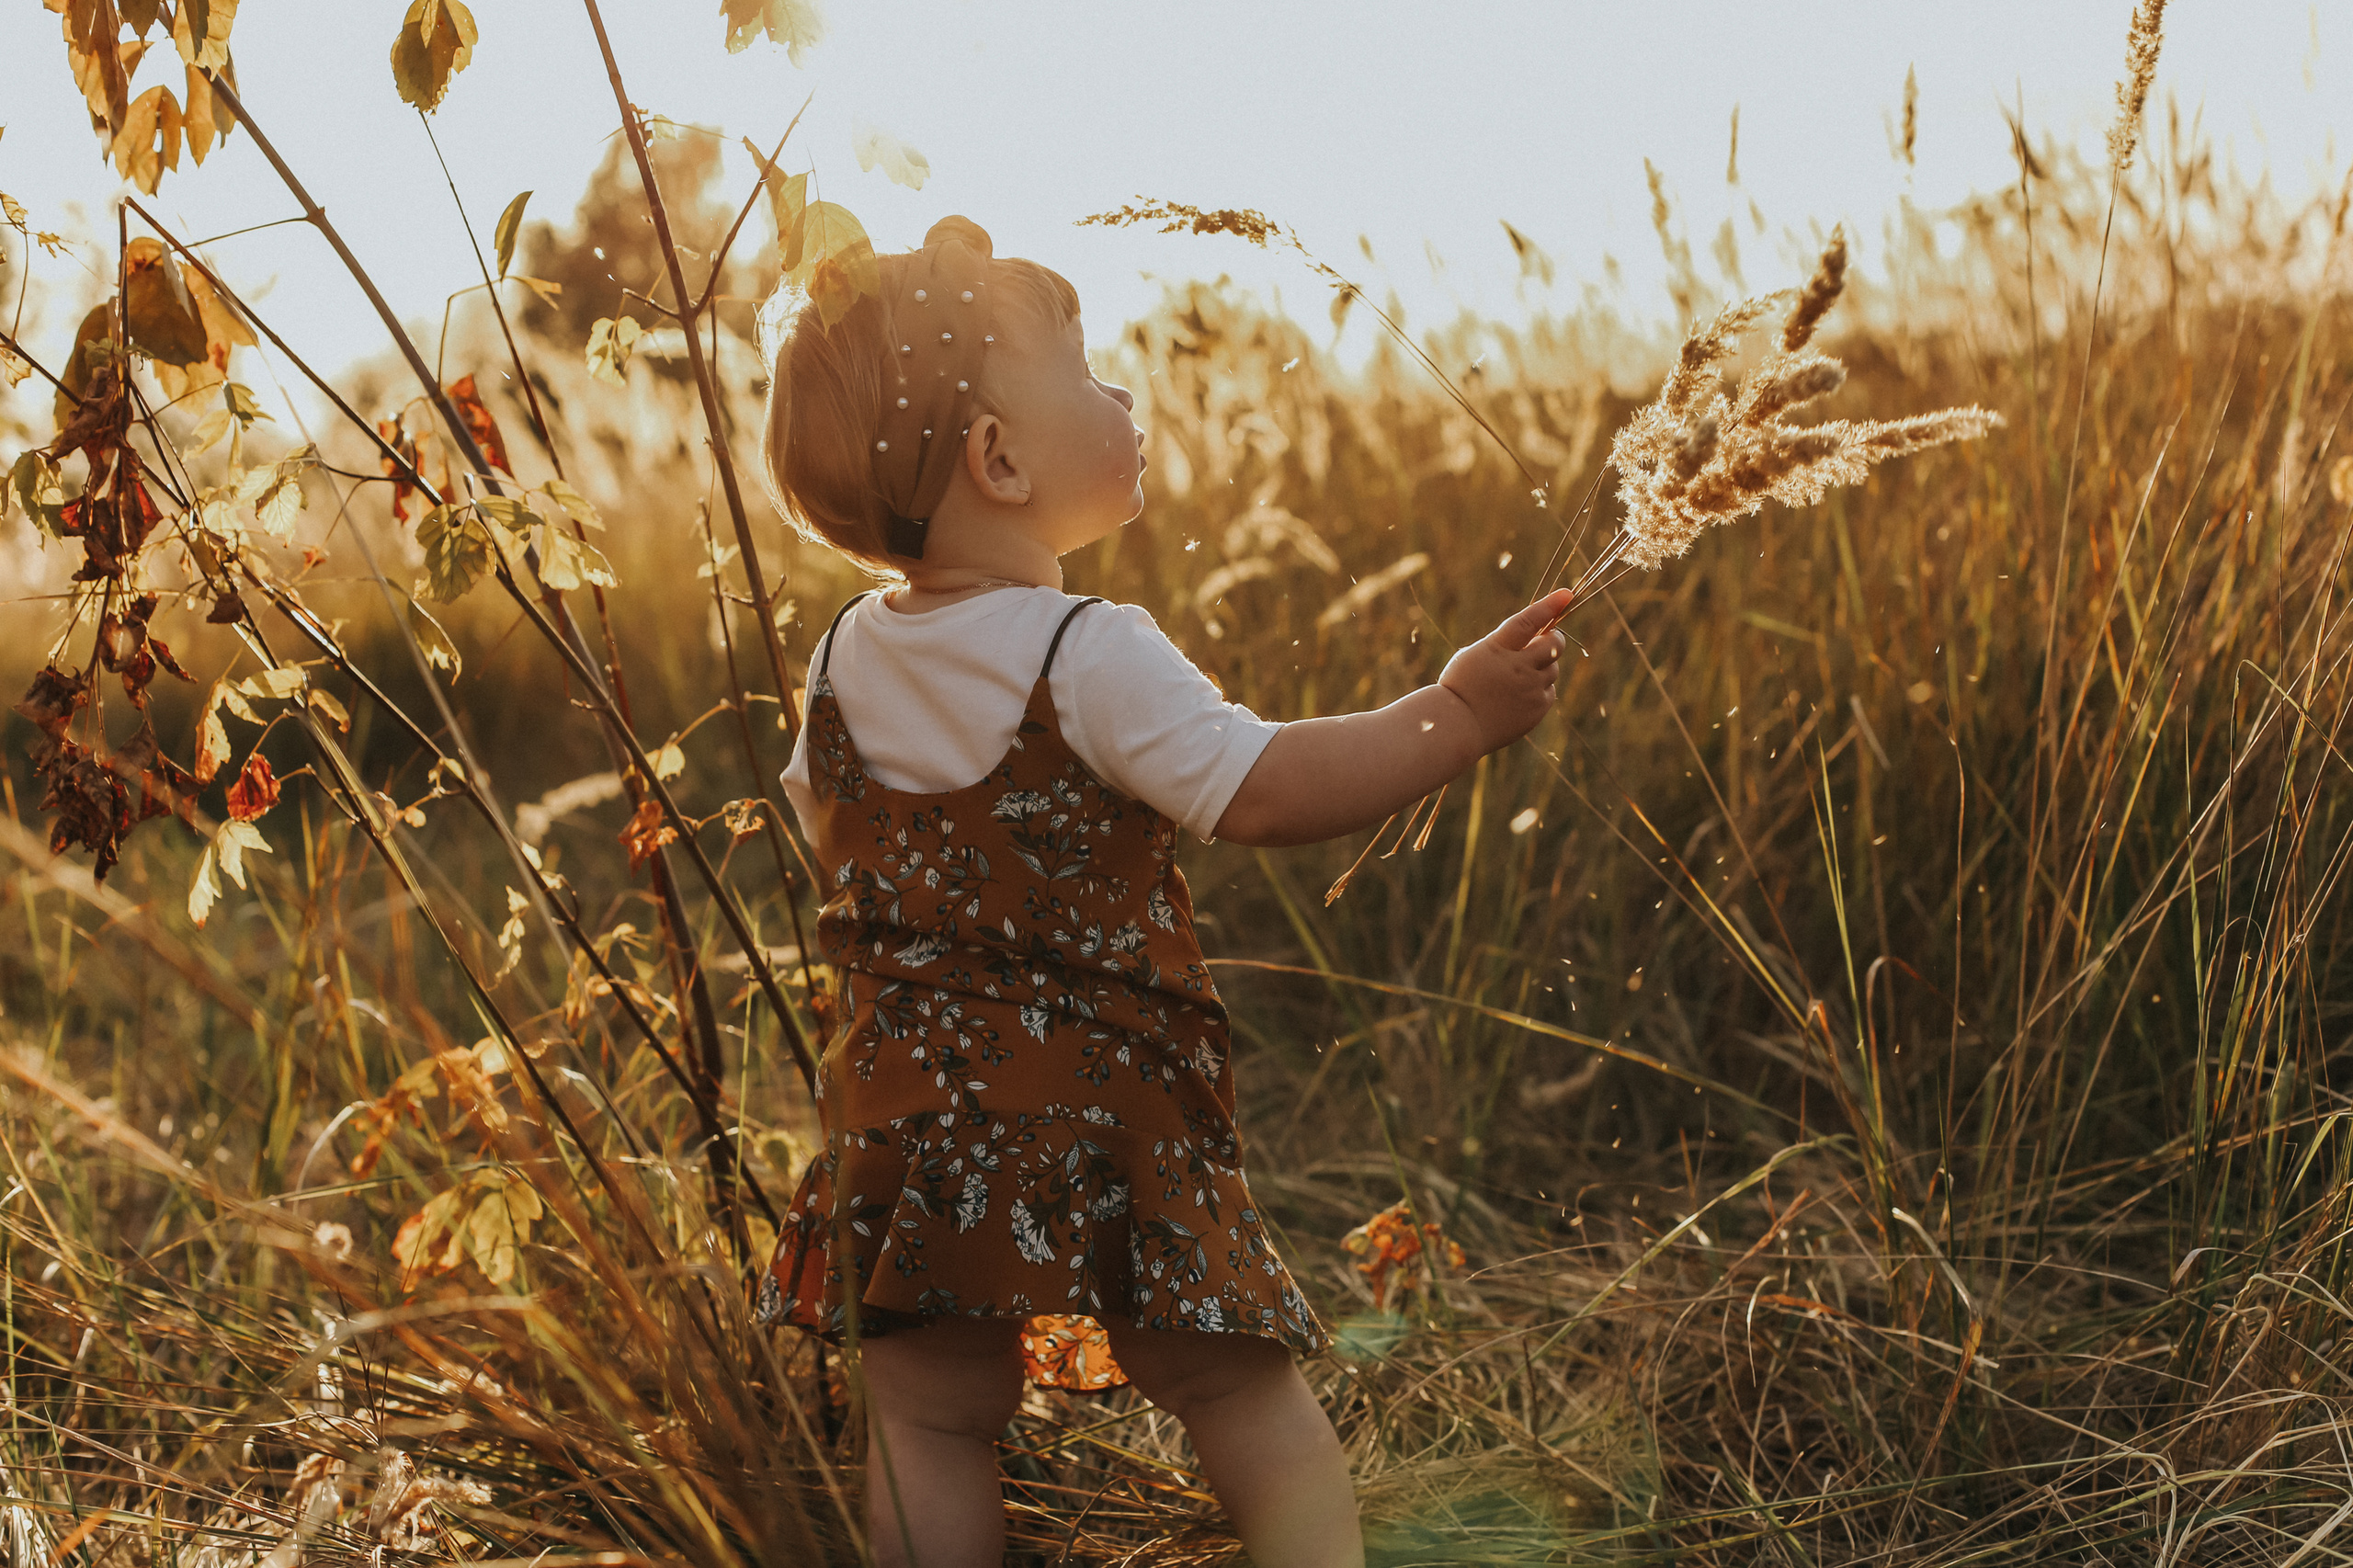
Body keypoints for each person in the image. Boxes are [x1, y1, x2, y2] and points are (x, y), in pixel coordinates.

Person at [755, 216, 1568, 1568]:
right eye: (1086, 374)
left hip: (910, 1099)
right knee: (1230, 1383)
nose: (1123, 396)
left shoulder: (841, 659)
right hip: (1107, 1100)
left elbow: (839, 836)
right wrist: (1456, 714)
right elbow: (1266, 788)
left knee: (929, 1414)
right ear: (999, 460)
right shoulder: (1088, 649)